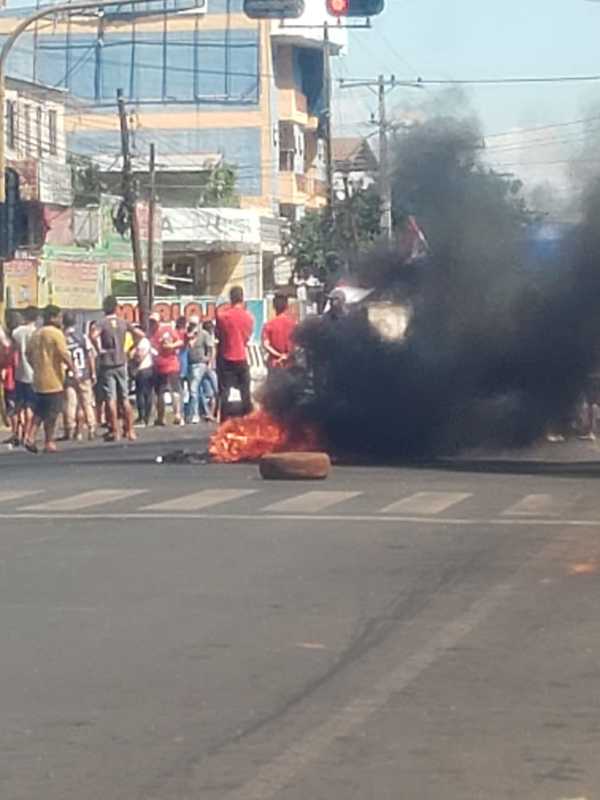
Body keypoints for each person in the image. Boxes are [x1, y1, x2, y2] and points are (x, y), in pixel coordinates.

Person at [24, 305, 74, 454]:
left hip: (38, 379)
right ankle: (49, 441)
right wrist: (73, 368)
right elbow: (64, 353)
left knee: (40, 410)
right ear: (52, 318)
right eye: (59, 317)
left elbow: (28, 355)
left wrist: (37, 367)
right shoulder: (55, 333)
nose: (60, 320)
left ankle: (30, 436)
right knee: (52, 413)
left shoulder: (36, 334)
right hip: (54, 379)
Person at [91, 296, 135, 442]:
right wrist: (130, 349)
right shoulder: (123, 322)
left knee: (111, 398)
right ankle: (130, 430)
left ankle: (115, 431)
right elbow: (139, 334)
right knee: (125, 398)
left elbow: (93, 335)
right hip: (121, 362)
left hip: (108, 363)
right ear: (116, 308)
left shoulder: (102, 323)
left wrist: (99, 349)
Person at [215, 286, 254, 420]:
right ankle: (247, 419)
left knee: (225, 392)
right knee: (245, 392)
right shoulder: (249, 317)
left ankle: (224, 421)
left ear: (231, 298)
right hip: (242, 357)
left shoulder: (223, 316)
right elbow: (247, 337)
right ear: (242, 298)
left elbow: (219, 334)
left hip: (226, 356)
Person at [63, 312, 96, 441]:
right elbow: (90, 354)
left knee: (71, 403)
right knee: (87, 402)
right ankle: (91, 427)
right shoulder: (82, 337)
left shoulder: (63, 337)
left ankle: (70, 428)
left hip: (70, 374)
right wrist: (93, 372)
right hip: (84, 373)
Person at [11, 305, 38, 443]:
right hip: (33, 373)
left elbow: (14, 352)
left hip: (19, 372)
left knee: (18, 405)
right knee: (30, 406)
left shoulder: (16, 332)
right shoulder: (37, 333)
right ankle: (27, 434)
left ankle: (17, 433)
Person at [153, 324, 184, 426]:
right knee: (160, 393)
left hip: (171, 365)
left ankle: (177, 415)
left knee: (174, 391)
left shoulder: (168, 330)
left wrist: (171, 346)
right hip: (160, 366)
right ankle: (161, 417)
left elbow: (180, 341)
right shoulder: (153, 333)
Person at [187, 319, 216, 423]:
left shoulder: (204, 334)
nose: (192, 326)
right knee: (196, 391)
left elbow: (210, 349)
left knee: (194, 389)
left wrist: (209, 362)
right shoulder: (188, 334)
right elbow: (189, 345)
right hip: (190, 364)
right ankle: (198, 413)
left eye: (194, 324)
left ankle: (196, 415)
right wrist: (191, 335)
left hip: (201, 364)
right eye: (191, 324)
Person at [262, 293, 297, 372]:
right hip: (290, 364)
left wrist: (279, 355)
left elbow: (266, 345)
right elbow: (298, 345)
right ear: (287, 306)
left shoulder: (269, 325)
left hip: (275, 364)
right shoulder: (294, 324)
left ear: (273, 306)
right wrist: (286, 356)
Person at [129, 325, 154, 426]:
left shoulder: (143, 342)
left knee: (144, 394)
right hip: (139, 370)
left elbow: (139, 357)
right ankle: (142, 416)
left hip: (145, 369)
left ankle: (145, 417)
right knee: (140, 394)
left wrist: (133, 355)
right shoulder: (136, 343)